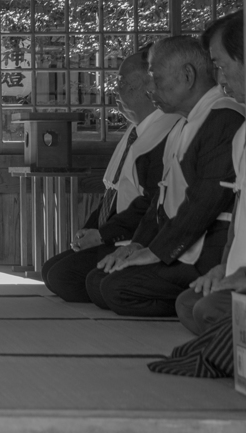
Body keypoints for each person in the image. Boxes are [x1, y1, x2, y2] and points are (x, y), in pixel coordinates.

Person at [85, 35, 244, 317]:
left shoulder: (224, 119)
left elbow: (203, 203)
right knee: (100, 282)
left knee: (115, 288)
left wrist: (155, 252)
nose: (152, 90)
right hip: (176, 242)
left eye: (156, 80)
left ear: (187, 75)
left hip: (205, 248)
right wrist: (138, 245)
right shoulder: (186, 122)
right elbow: (160, 198)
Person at [41, 47, 181, 302]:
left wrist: (104, 235)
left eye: (122, 82)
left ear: (150, 85)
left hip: (139, 235)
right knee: (52, 270)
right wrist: (90, 229)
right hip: (117, 228)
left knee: (66, 277)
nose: (116, 90)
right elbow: (114, 190)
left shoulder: (169, 130)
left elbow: (150, 201)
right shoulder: (135, 130)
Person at [174, 12, 246, 334]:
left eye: (221, 66)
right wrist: (225, 267)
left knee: (208, 310)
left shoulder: (226, 120)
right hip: (241, 266)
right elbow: (240, 209)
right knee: (190, 305)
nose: (219, 80)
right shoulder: (244, 132)